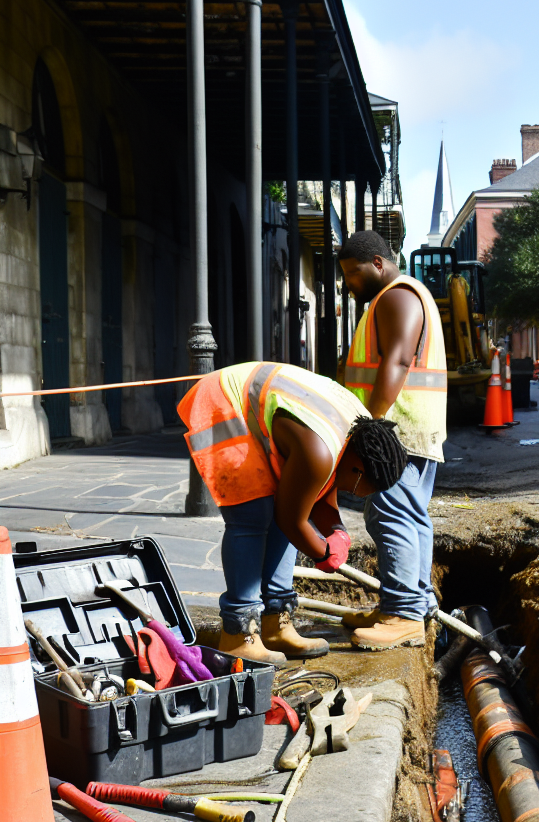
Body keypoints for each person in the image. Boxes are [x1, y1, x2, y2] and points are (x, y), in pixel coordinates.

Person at [177, 361, 408, 665]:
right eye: (360, 489)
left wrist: (336, 531)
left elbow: (319, 493)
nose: (356, 494)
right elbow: (292, 519)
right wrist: (322, 552)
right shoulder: (319, 453)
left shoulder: (355, 439)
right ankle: (238, 634)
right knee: (252, 516)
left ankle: (275, 623)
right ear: (358, 469)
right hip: (225, 403)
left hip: (261, 410)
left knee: (285, 503)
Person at [338, 231, 448, 650]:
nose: (349, 282)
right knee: (409, 515)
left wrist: (373, 425)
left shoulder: (396, 297)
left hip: (397, 428)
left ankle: (401, 614)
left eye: (353, 272)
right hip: (413, 429)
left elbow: (398, 360)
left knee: (391, 516)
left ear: (378, 264)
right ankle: (410, 605)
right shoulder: (401, 296)